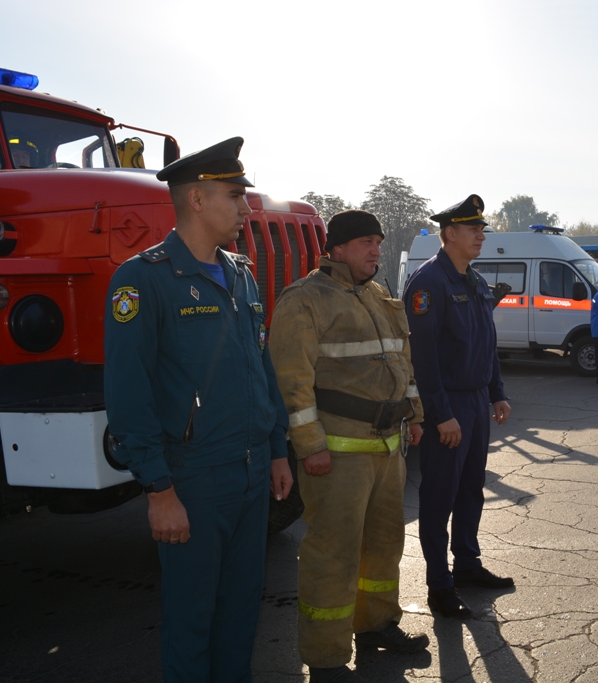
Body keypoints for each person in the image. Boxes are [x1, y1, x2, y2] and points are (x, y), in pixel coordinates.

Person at [103, 137, 293, 682]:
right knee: (191, 621)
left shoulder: (241, 273)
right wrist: (159, 491)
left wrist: (277, 449)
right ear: (197, 199)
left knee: (240, 612)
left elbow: (262, 367)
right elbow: (128, 392)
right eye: (235, 197)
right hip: (193, 478)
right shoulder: (143, 279)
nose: (244, 209)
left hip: (254, 471)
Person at [268, 210, 429, 683]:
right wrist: (309, 445)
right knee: (332, 554)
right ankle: (326, 657)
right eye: (365, 242)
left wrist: (414, 415)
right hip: (336, 455)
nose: (376, 250)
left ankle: (377, 625)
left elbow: (403, 360)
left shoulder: (378, 295)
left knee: (384, 545)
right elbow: (292, 382)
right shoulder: (305, 298)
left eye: (378, 242)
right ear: (336, 249)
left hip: (387, 448)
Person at [404, 194, 513, 620]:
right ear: (449, 234)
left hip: (474, 403)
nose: (481, 236)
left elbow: (488, 343)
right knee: (439, 496)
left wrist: (496, 391)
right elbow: (422, 357)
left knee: (470, 490)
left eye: (482, 229)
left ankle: (466, 564)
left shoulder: (475, 281)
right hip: (447, 405)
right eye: (473, 229)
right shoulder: (429, 282)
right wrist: (439, 413)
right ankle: (439, 585)